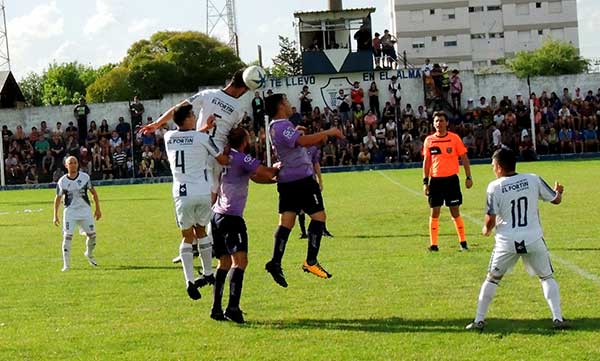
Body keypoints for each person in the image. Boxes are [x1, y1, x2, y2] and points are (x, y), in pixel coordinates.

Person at [466, 148, 568, 331]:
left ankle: (479, 320)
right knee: (546, 277)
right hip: (532, 238)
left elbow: (490, 218)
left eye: (492, 165)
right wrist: (558, 191)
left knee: (492, 279)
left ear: (498, 167)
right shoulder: (532, 178)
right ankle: (558, 318)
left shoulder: (494, 187)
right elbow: (556, 200)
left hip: (507, 241)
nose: (492, 168)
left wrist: (485, 230)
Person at [264, 94, 344, 287]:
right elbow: (303, 142)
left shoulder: (275, 126)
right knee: (319, 217)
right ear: (281, 105)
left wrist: (297, 132)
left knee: (286, 223)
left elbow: (293, 141)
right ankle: (310, 261)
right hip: (302, 180)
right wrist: (329, 132)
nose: (290, 103)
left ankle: (275, 262)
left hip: (287, 181)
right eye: (287, 101)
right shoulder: (282, 125)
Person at [142, 69, 249, 204]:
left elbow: (179, 107)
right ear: (243, 89)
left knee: (194, 190)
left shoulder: (208, 94)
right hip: (217, 153)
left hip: (196, 149)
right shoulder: (239, 109)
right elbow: (232, 137)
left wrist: (157, 124)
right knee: (211, 198)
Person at [210, 127, 279, 323]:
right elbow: (263, 171)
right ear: (244, 141)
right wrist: (281, 169)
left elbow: (256, 177)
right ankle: (232, 308)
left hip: (217, 215)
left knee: (223, 263)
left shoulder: (227, 156)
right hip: (232, 217)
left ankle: (216, 308)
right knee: (240, 262)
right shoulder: (241, 158)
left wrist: (273, 179)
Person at [164, 103, 229, 301]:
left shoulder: (168, 137)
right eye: (192, 115)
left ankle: (190, 280)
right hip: (202, 192)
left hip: (182, 194)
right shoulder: (202, 138)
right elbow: (221, 159)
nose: (195, 117)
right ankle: (208, 273)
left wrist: (203, 129)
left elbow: (185, 139)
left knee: (187, 237)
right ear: (187, 119)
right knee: (201, 231)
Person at [422, 111, 473, 252]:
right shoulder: (429, 141)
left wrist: (468, 177)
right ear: (433, 123)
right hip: (436, 181)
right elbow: (427, 162)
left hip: (451, 180)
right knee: (434, 212)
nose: (439, 123)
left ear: (447, 123)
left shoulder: (454, 138)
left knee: (455, 212)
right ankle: (434, 245)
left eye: (442, 120)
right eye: (437, 121)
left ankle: (463, 242)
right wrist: (425, 182)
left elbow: (464, 158)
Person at [53, 156, 102, 272]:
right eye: (70, 163)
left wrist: (98, 209)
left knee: (93, 236)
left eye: (75, 162)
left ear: (78, 164)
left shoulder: (85, 177)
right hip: (70, 212)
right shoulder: (62, 181)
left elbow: (94, 193)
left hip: (85, 211)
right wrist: (55, 215)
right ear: (66, 165)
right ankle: (66, 265)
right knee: (67, 237)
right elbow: (58, 198)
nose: (73, 165)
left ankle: (89, 254)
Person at [298, 144, 334, 239]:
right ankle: (303, 232)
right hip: (298, 183)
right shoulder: (293, 150)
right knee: (300, 208)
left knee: (319, 206)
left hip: (311, 183)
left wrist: (320, 181)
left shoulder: (312, 149)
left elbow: (316, 164)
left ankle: (323, 230)